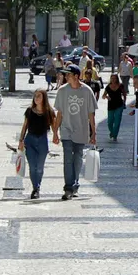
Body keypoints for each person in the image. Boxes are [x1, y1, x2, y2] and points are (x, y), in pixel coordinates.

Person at [54, 65, 98, 200]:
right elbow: (59, 114)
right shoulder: (62, 91)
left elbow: (91, 114)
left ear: (76, 76)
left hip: (81, 129)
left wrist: (93, 132)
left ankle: (75, 184)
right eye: (65, 75)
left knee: (77, 159)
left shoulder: (87, 91)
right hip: (66, 129)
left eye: (68, 75)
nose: (66, 77)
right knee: (68, 158)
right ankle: (68, 187)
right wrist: (55, 132)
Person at [19, 89, 58, 199]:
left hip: (42, 141)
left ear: (44, 98)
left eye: (39, 96)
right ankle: (35, 188)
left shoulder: (49, 112)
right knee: (32, 166)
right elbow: (25, 126)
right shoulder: (29, 111)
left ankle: (38, 186)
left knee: (39, 167)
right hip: (30, 140)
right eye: (35, 96)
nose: (36, 98)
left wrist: (56, 136)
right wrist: (21, 140)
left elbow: (54, 126)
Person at [104, 75, 128, 142]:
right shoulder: (108, 86)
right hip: (111, 106)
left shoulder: (121, 86)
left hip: (119, 105)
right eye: (112, 78)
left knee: (117, 121)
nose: (113, 80)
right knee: (110, 122)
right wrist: (107, 97)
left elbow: (124, 94)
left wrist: (124, 102)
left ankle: (115, 135)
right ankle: (112, 132)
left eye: (114, 78)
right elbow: (103, 95)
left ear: (117, 79)